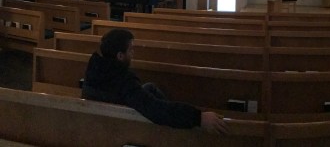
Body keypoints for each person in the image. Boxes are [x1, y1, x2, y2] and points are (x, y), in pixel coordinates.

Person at [82, 29, 229, 134]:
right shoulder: (124, 81)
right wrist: (199, 117)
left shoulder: (95, 68)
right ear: (120, 56)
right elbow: (156, 109)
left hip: (98, 120)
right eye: (131, 50)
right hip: (125, 126)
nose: (133, 53)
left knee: (150, 87)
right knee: (158, 103)